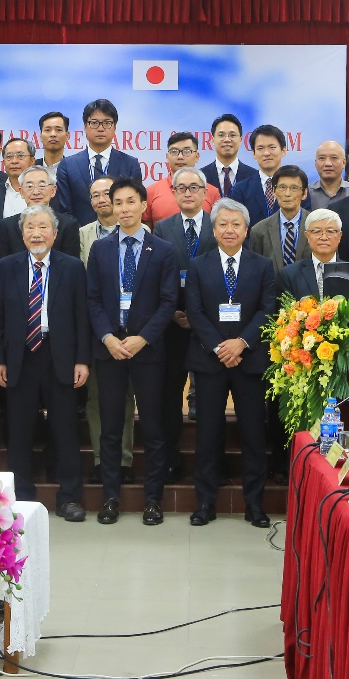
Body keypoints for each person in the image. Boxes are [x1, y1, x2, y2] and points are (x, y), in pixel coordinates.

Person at [0, 204, 90, 521]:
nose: (36, 233)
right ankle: (22, 497)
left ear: (55, 233)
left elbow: (82, 317)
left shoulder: (72, 267)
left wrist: (82, 360)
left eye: (43, 227)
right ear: (22, 234)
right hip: (20, 357)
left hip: (60, 356)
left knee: (65, 429)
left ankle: (69, 498)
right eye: (30, 227)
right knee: (19, 431)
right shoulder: (6, 267)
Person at [86, 178, 177, 526]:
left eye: (130, 202)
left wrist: (144, 338)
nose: (124, 209)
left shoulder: (163, 250)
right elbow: (93, 299)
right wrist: (107, 337)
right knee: (110, 428)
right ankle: (110, 497)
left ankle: (153, 499)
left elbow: (168, 302)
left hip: (148, 351)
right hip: (110, 350)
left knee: (153, 427)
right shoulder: (100, 249)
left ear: (143, 205)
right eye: (118, 203)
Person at [184, 197, 279, 529]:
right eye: (222, 224)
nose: (229, 230)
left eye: (236, 224)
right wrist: (219, 346)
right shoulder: (198, 265)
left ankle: (254, 504)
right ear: (213, 230)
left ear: (246, 229)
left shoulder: (262, 265)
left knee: (253, 433)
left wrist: (242, 343)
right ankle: (205, 502)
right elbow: (194, 311)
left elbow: (268, 309)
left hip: (249, 359)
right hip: (209, 360)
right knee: (208, 433)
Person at [152, 167, 217, 483]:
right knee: (170, 395)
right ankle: (170, 459)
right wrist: (173, 313)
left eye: (194, 187)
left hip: (210, 325)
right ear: (174, 193)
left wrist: (200, 316)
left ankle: (210, 465)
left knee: (208, 398)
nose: (188, 193)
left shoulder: (219, 225)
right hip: (173, 323)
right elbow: (157, 275)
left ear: (205, 193)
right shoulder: (162, 228)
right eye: (182, 188)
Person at [76, 175, 136, 483]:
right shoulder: (83, 235)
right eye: (96, 194)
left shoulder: (144, 234)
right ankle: (102, 459)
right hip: (98, 328)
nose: (102, 199)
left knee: (126, 398)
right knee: (98, 398)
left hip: (136, 332)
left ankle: (125, 459)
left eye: (107, 193)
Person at [53, 99, 143, 225]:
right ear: (85, 127)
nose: (100, 128)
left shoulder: (130, 164)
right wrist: (82, 233)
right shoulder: (67, 165)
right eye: (94, 123)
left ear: (115, 127)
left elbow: (134, 206)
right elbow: (65, 210)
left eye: (107, 123)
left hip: (121, 233)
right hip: (79, 234)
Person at [0, 165, 82, 260]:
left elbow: (71, 265)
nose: (36, 192)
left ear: (53, 190)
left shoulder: (68, 225)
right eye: (29, 186)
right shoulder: (6, 227)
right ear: (21, 192)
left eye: (42, 186)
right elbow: (3, 265)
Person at [279, 208, 349, 300]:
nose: (324, 237)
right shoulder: (290, 275)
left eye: (330, 231)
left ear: (340, 236)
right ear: (307, 236)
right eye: (317, 231)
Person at [145, 132, 220, 225]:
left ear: (197, 156)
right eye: (174, 151)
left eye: (186, 151)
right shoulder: (151, 192)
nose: (180, 157)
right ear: (167, 157)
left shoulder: (212, 192)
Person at [248, 165, 308, 272]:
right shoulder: (259, 231)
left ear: (304, 193)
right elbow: (255, 270)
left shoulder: (316, 226)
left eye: (294, 188)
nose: (287, 194)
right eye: (282, 187)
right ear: (274, 191)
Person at [230, 124, 288, 225]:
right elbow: (237, 225)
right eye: (260, 148)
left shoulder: (297, 187)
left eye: (272, 147)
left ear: (283, 151)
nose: (266, 153)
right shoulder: (241, 189)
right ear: (253, 153)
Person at [201, 113, 257, 199]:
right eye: (221, 135)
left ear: (240, 140)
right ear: (213, 140)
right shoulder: (200, 177)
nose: (227, 139)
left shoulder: (254, 176)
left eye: (232, 135)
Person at [0, 136, 37, 228]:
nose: (14, 161)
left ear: (32, 161)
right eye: (9, 156)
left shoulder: (43, 192)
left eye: (20, 156)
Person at [308, 140, 347, 209]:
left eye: (334, 158)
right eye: (322, 158)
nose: (328, 163)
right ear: (315, 164)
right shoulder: (306, 193)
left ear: (344, 163)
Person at [38, 110, 69, 176]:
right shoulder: (30, 167)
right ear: (40, 136)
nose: (53, 134)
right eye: (47, 130)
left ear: (67, 136)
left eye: (58, 130)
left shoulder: (74, 169)